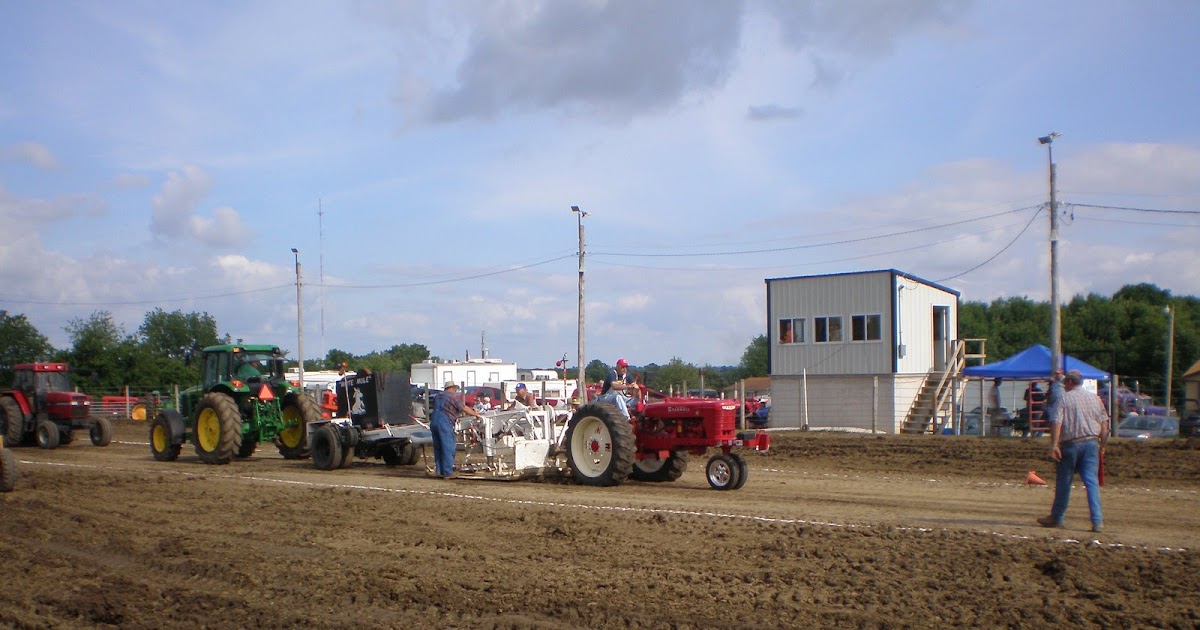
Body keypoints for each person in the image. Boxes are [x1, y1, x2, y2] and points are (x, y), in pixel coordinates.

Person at [1037, 369, 1110, 533]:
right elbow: (1105, 426)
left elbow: (1056, 422)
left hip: (1070, 444)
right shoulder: (1095, 399)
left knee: (1064, 482)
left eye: (1065, 383)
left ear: (1070, 382)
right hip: (1091, 443)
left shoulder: (1064, 398)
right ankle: (1097, 521)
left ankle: (1057, 516)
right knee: (1091, 482)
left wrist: (1054, 444)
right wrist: (1102, 446)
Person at [429, 381, 482, 479]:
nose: (455, 390)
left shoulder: (437, 397)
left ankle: (440, 470)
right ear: (452, 388)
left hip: (434, 422)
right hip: (444, 423)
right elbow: (464, 408)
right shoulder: (453, 397)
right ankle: (448, 472)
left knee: (438, 447)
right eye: (454, 389)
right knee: (447, 447)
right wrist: (476, 414)